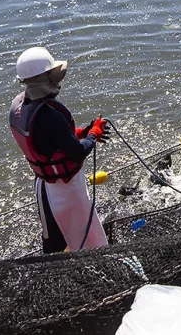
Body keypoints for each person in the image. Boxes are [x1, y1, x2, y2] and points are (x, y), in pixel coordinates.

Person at [9, 46, 111, 253]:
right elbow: (77, 152)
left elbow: (47, 139)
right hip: (65, 189)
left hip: (44, 186)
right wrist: (94, 135)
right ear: (45, 78)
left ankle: (52, 267)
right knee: (85, 237)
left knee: (52, 236)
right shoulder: (50, 115)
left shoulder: (22, 105)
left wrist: (82, 132)